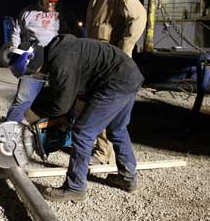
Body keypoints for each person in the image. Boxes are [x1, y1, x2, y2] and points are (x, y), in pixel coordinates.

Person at [24, 34, 144, 201]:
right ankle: (128, 178)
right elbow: (78, 92)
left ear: (36, 65)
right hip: (129, 74)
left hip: (116, 81)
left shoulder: (61, 64)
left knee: (82, 132)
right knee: (117, 129)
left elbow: (61, 105)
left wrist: (35, 113)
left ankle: (75, 188)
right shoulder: (60, 52)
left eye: (32, 73)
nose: (35, 76)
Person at [75, 0, 147, 165]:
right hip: (98, 66)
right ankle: (102, 150)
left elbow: (139, 18)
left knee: (106, 111)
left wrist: (123, 54)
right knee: (95, 106)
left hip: (114, 68)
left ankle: (103, 153)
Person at [5, 0, 81, 122]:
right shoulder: (27, 12)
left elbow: (77, 38)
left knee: (59, 102)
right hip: (34, 65)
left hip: (59, 64)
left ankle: (48, 136)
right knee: (22, 100)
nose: (51, 3)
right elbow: (16, 32)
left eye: (54, 0)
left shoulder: (66, 16)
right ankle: (7, 132)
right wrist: (15, 51)